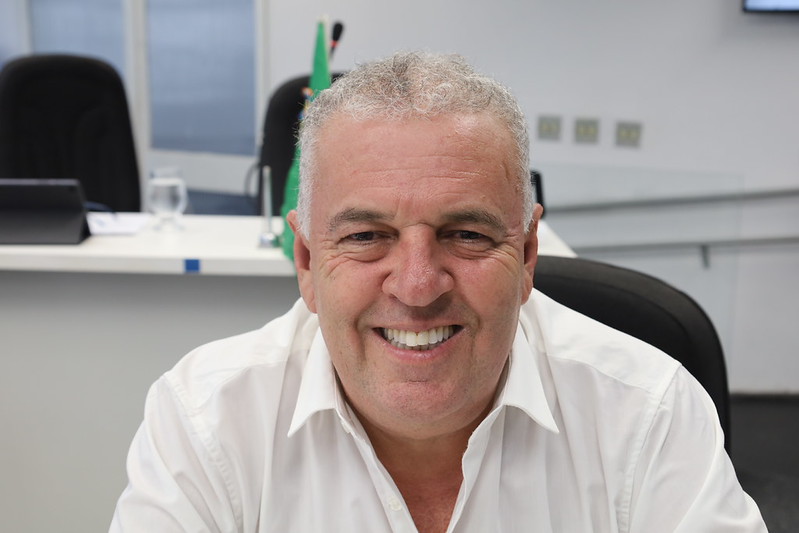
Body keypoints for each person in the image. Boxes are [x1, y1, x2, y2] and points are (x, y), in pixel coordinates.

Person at [110, 51, 766, 532]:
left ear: (527, 255)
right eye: (367, 236)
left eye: (466, 234)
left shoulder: (646, 413)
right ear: (306, 260)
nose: (418, 285)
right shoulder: (208, 421)